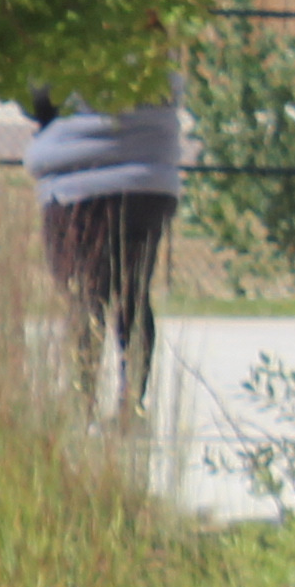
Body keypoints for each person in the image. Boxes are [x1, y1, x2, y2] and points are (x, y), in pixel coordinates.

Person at [20, 88, 186, 408]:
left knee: (85, 296)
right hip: (151, 184)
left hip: (80, 183)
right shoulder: (157, 52)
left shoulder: (71, 46)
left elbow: (37, 98)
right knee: (133, 295)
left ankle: (83, 402)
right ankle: (132, 402)